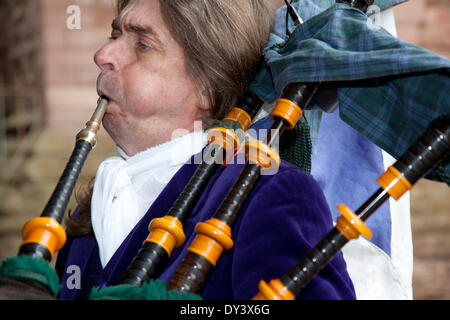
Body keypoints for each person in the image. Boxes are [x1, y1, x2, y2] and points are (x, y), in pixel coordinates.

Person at [55, 0, 355, 300]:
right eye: (114, 35)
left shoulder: (272, 192)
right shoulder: (91, 210)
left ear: (207, 86)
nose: (102, 55)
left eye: (143, 44)